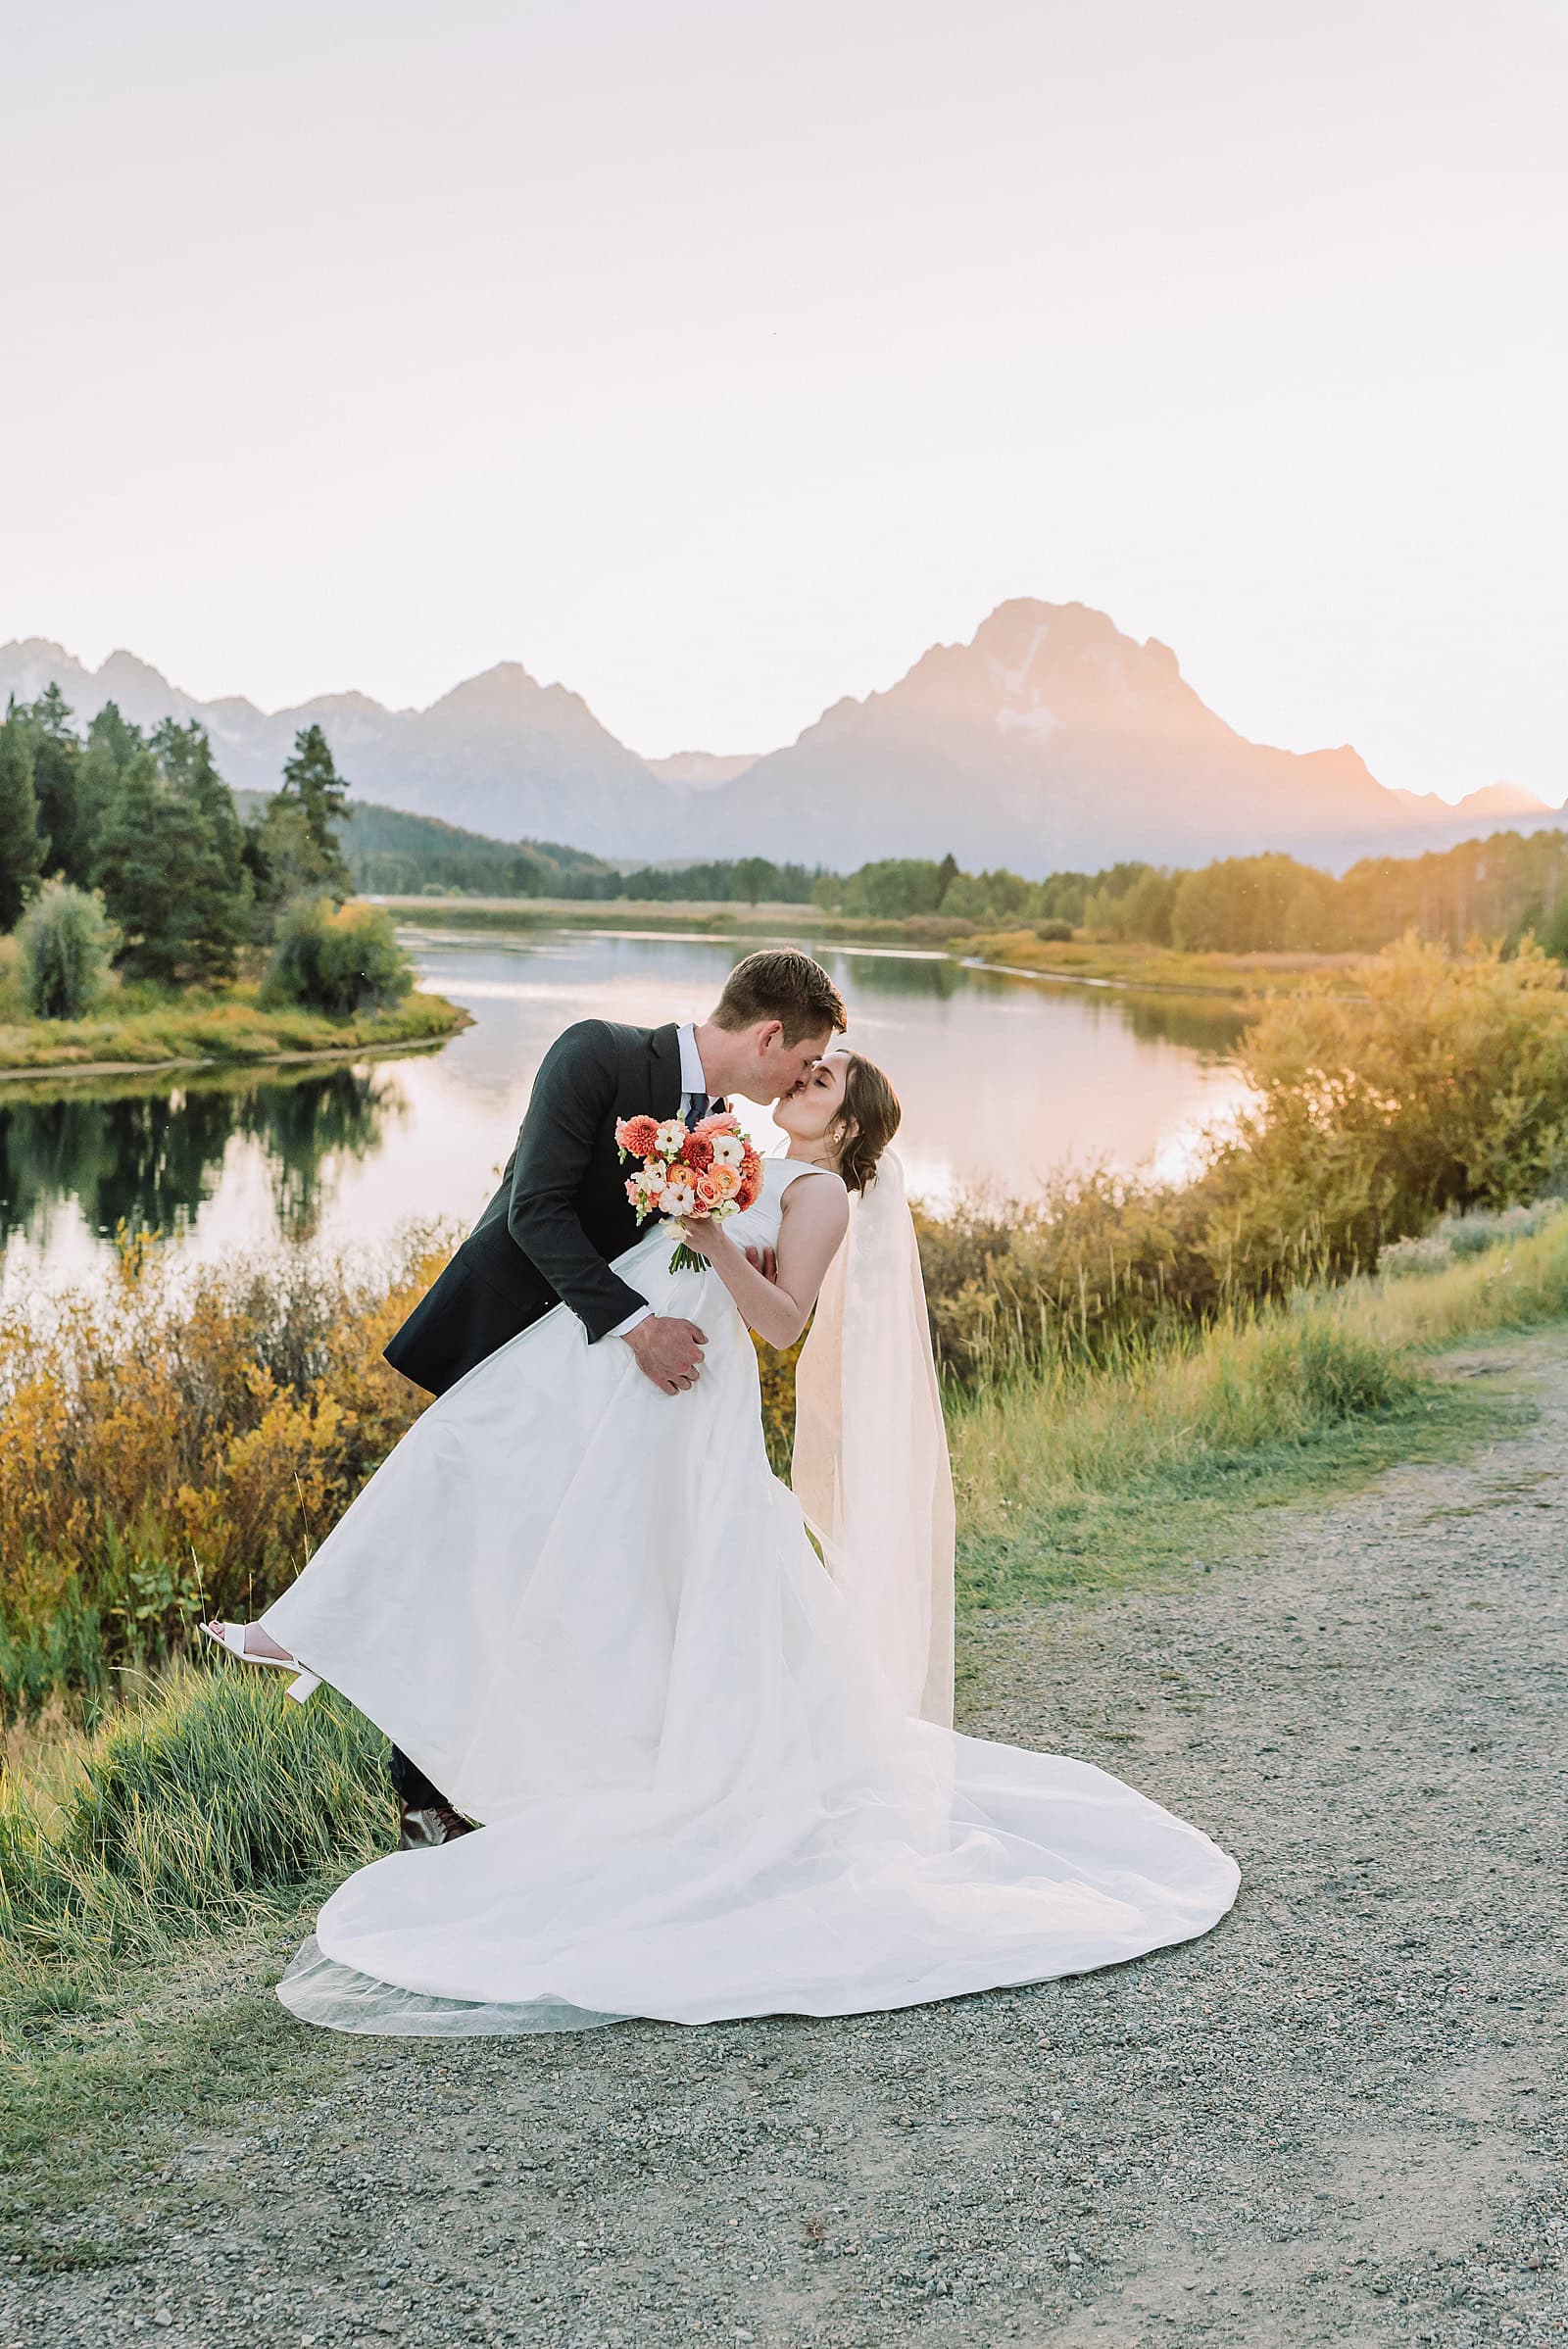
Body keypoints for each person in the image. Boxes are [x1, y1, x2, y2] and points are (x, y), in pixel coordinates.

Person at [207, 1037, 1241, 2037]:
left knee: (537, 1498)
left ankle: (337, 1651)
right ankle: (337, 1644)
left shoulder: (822, 1192)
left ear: (850, 1120)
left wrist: (704, 1241)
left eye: (823, 1078)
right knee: (488, 1466)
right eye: (806, 1063)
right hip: (617, 1355)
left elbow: (785, 1322)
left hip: (684, 1377)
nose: (801, 1077)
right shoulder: (742, 1150)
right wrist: (677, 1206)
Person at [207, 946, 846, 1847]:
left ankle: (502, 1774)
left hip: (623, 1382)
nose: (792, 1084)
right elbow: (534, 1209)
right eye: (799, 1060)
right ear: (771, 1034)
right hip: (532, 1337)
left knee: (555, 1565)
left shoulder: (727, 1132)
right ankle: (380, 1723)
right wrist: (637, 1327)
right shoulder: (597, 1053)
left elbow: (713, 1257)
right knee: (467, 1514)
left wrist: (725, 1265)